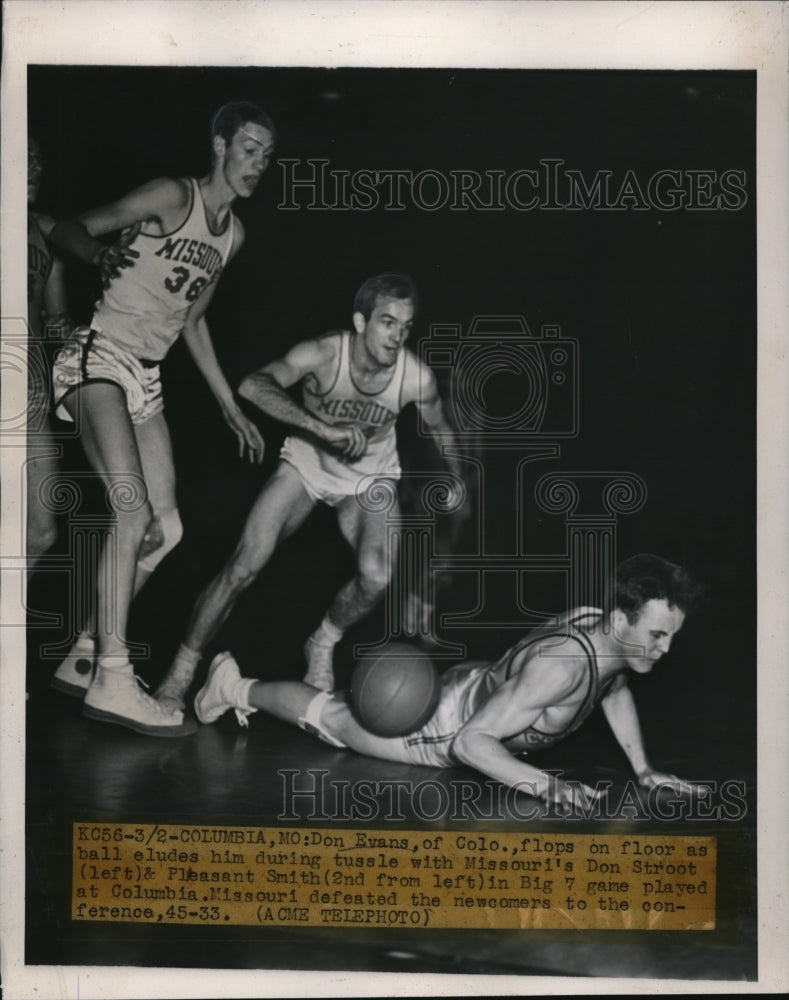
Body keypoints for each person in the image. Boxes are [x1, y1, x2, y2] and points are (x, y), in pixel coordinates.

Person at [47, 101, 273, 736]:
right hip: (98, 356)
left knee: (165, 529)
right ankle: (114, 679)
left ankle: (86, 655)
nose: (259, 162)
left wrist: (231, 407)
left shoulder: (233, 235)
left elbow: (192, 322)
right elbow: (67, 227)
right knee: (130, 510)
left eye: (267, 154)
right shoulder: (173, 196)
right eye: (250, 147)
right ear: (220, 146)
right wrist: (96, 258)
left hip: (145, 376)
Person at [155, 272, 463, 709]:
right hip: (306, 466)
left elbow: (441, 428)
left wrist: (454, 473)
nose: (397, 336)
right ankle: (179, 673)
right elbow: (252, 384)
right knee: (243, 567)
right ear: (360, 322)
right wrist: (321, 427)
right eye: (387, 322)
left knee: (377, 576)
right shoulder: (321, 353)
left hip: (368, 479)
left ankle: (321, 642)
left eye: (406, 326)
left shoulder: (416, 377)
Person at [191, 554, 704, 810]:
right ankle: (234, 686)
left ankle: (238, 685)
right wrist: (550, 786)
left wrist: (644, 770)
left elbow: (611, 687)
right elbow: (471, 743)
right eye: (657, 635)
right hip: (444, 726)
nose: (664, 649)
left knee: (338, 712)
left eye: (671, 637)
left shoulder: (600, 625)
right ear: (621, 621)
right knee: (333, 718)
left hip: (477, 684)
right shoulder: (563, 668)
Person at [26, 136, 72, 568]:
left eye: (39, 160)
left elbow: (59, 324)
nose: (34, 167)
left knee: (41, 531)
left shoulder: (42, 231)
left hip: (30, 394)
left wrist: (64, 331)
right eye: (23, 157)